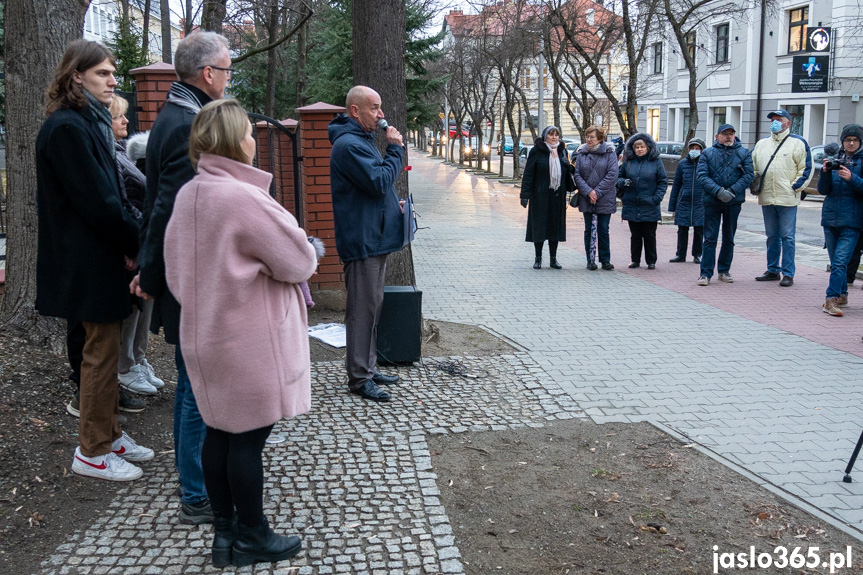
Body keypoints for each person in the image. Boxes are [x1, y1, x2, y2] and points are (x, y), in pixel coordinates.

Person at [165, 99, 316, 568]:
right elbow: (297, 262)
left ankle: (225, 536)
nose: (255, 139)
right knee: (248, 440)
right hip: (249, 340)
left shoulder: (191, 193)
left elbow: (175, 271)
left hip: (205, 333)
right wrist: (308, 245)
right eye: (249, 132)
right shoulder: (243, 198)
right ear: (234, 140)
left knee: (220, 435)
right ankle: (253, 535)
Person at [36, 40, 153, 481]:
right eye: (102, 73)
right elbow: (99, 203)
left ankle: (109, 433)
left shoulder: (86, 122)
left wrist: (129, 242)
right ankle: (92, 451)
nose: (112, 80)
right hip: (85, 261)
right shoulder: (67, 128)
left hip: (99, 256)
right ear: (76, 76)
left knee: (104, 349)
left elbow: (113, 195)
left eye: (112, 73)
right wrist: (134, 242)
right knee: (100, 354)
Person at [132, 30, 232, 524]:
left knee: (195, 383)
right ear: (208, 73)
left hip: (185, 275)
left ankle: (200, 480)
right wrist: (150, 273)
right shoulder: (187, 123)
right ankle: (195, 491)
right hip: (189, 279)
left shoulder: (175, 115)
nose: (229, 79)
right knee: (195, 387)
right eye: (227, 70)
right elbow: (166, 209)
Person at [329, 85, 404, 403]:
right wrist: (396, 150)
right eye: (375, 108)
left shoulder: (360, 141)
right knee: (361, 312)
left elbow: (374, 187)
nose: (382, 114)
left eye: (381, 107)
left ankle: (368, 369)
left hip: (374, 238)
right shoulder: (349, 145)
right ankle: (360, 378)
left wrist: (392, 204)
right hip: (362, 241)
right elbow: (377, 182)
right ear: (355, 111)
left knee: (372, 309)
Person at [108, 96, 165, 398]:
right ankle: (126, 364)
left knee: (142, 304)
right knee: (133, 306)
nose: (126, 121)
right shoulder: (113, 155)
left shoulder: (123, 153)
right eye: (119, 116)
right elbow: (125, 202)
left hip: (141, 241)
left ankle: (137, 358)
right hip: (131, 246)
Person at [752, 110, 813, 287]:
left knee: (788, 236)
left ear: (788, 123)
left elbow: (806, 169)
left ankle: (788, 273)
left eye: (779, 120)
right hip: (767, 197)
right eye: (772, 120)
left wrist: (794, 187)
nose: (774, 123)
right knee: (771, 236)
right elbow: (754, 167)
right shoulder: (762, 144)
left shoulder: (798, 143)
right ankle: (772, 269)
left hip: (787, 198)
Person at [695, 124, 753, 285]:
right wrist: (719, 191)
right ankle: (705, 273)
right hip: (712, 201)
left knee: (729, 237)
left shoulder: (744, 153)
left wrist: (732, 191)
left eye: (731, 134)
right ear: (717, 136)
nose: (728, 136)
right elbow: (702, 176)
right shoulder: (707, 153)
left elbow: (749, 175)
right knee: (710, 238)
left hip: (733, 202)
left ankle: (724, 270)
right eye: (725, 134)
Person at [817, 124, 863, 316]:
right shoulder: (837, 159)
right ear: (842, 142)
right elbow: (823, 190)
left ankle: (831, 299)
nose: (851, 143)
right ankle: (842, 295)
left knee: (839, 262)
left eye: (854, 140)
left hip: (852, 220)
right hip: (830, 218)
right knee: (837, 261)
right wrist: (825, 172)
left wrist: (852, 178)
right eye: (847, 140)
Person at [520, 125, 573, 269]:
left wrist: (568, 166)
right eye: (551, 134)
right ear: (545, 136)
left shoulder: (563, 151)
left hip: (557, 195)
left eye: (556, 134)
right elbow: (528, 174)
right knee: (539, 226)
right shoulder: (537, 151)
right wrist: (525, 195)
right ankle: (538, 258)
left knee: (555, 227)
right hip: (540, 195)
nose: (554, 137)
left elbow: (569, 173)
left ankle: (553, 259)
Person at [617, 133, 667, 269]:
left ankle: (651, 261)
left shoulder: (656, 162)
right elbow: (619, 178)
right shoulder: (628, 162)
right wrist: (623, 182)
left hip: (650, 204)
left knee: (649, 235)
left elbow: (662, 182)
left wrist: (656, 198)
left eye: (642, 147)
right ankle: (635, 260)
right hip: (632, 203)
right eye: (637, 147)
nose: (639, 149)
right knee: (635, 235)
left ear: (648, 148)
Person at [571, 125, 618, 270]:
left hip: (605, 198)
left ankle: (605, 260)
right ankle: (590, 260)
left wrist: (597, 192)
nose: (589, 140)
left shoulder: (610, 153)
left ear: (600, 138)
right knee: (588, 229)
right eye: (587, 136)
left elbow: (612, 174)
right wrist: (588, 192)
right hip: (587, 197)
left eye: (592, 137)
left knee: (603, 229)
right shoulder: (581, 153)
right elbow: (577, 175)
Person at [668, 138, 707, 263]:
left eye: (697, 148)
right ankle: (680, 254)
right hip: (684, 201)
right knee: (682, 229)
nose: (694, 151)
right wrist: (672, 206)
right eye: (692, 148)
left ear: (702, 150)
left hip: (700, 202)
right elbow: (676, 185)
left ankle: (697, 254)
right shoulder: (683, 164)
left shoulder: (705, 163)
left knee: (699, 229)